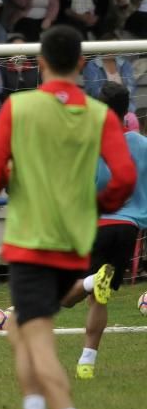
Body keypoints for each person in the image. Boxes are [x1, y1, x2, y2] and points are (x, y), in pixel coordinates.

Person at [0, 25, 135, 409]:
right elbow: (123, 178)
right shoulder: (100, 116)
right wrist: (98, 206)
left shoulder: (19, 107)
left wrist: (7, 177)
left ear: (40, 63)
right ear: (80, 64)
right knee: (18, 329)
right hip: (74, 242)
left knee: (35, 338)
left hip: (31, 243)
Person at [59, 81, 147, 379]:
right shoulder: (141, 143)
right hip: (129, 229)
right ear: (127, 110)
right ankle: (87, 362)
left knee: (66, 297)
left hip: (97, 224)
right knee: (102, 296)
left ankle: (89, 281)